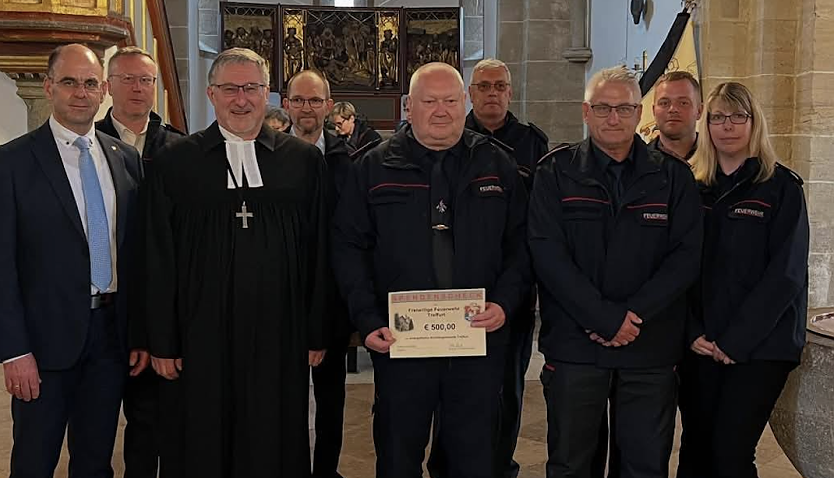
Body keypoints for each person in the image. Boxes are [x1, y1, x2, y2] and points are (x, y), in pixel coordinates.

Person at [332, 62, 531, 478]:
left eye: (450, 101)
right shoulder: (373, 166)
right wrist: (367, 320)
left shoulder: (498, 165)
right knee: (398, 455)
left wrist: (505, 304)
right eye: (429, 101)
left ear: (464, 103)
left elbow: (521, 246)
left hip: (477, 340)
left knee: (472, 458)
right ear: (409, 106)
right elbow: (349, 248)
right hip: (401, 343)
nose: (441, 111)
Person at [143, 48, 329, 478]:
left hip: (279, 335)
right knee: (200, 435)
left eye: (251, 89)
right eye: (230, 89)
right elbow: (156, 254)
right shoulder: (175, 161)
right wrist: (162, 339)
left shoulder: (303, 162)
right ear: (211, 94)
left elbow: (320, 250)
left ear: (268, 95)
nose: (241, 100)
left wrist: (316, 329)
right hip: (198, 336)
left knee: (273, 433)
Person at [528, 66, 703, 478]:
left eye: (624, 108)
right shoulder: (555, 172)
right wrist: (603, 318)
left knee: (644, 465)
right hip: (575, 345)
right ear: (586, 112)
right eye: (603, 108)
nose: (613, 118)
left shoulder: (673, 177)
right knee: (572, 464)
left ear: (639, 112)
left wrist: (631, 316)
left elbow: (685, 257)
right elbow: (547, 253)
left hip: (649, 344)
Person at [0, 43, 144, 478]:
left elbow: (136, 254)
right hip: (42, 345)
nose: (80, 93)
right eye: (69, 82)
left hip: (110, 338)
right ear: (49, 87)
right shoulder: (13, 162)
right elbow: (2, 265)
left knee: (96, 460)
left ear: (102, 91)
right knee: (34, 461)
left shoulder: (125, 159)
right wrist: (14, 351)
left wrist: (140, 331)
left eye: (89, 83)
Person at [677, 82, 809, 478]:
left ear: (754, 123)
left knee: (731, 452)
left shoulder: (781, 187)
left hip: (761, 346)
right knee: (696, 448)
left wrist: (736, 341)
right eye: (718, 117)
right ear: (706, 122)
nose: (727, 126)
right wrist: (690, 331)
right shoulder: (690, 186)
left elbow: (785, 275)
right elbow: (674, 266)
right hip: (700, 343)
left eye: (738, 116)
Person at [426, 57, 549, 478]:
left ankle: (500, 464)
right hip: (444, 299)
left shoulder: (532, 143)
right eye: (483, 87)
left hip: (505, 298)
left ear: (510, 92)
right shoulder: (448, 137)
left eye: (500, 86)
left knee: (507, 391)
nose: (492, 93)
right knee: (448, 393)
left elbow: (533, 225)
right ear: (469, 95)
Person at [95, 45, 184, 478]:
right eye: (126, 79)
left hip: (166, 304)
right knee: (105, 420)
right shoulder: (88, 143)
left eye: (145, 80)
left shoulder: (180, 148)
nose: (136, 88)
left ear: (156, 88)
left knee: (161, 416)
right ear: (109, 86)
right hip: (111, 304)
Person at [283, 69, 355, 478]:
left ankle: (326, 470)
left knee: (332, 396)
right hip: (282, 297)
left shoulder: (349, 160)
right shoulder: (266, 155)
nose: (306, 108)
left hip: (331, 298)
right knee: (284, 394)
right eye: (299, 100)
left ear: (328, 106)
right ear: (287, 104)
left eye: (315, 100)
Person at [649, 71, 702, 161]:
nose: (673, 109)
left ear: (699, 111)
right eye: (664, 103)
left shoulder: (720, 160)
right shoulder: (638, 164)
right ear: (654, 111)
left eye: (683, 103)